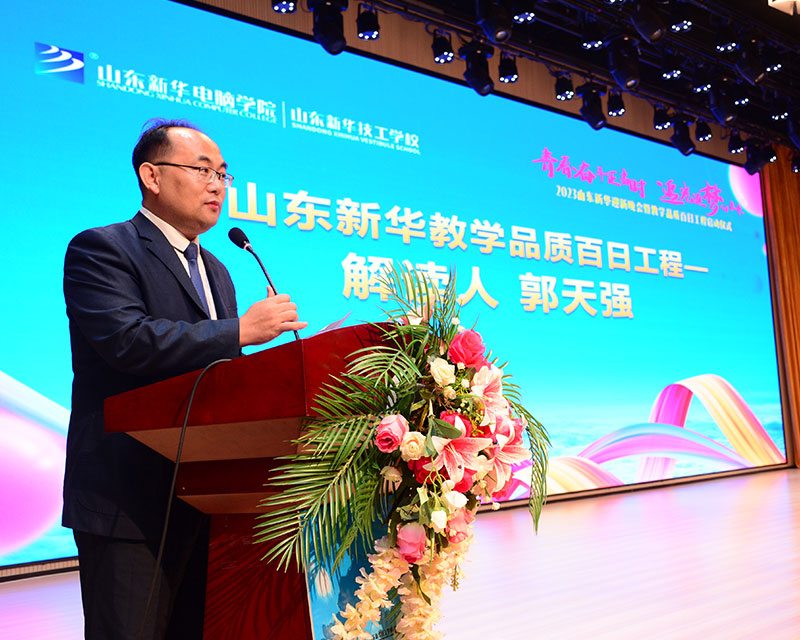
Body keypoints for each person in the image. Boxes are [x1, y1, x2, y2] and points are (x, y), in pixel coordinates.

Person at [62, 118, 307, 640]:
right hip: (128, 501)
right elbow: (128, 340)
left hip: (207, 500)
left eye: (223, 174)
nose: (217, 185)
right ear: (151, 176)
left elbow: (220, 378)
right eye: (202, 170)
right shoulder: (102, 249)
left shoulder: (217, 269)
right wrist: (240, 331)